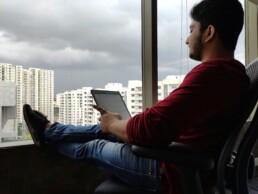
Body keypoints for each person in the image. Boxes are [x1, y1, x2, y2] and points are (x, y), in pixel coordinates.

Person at [23, 0, 249, 193]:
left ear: (209, 32)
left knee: (93, 146)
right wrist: (115, 124)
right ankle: (49, 130)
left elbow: (150, 129)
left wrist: (114, 125)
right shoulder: (234, 74)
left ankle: (47, 138)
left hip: (169, 171)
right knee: (103, 129)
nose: (187, 39)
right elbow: (173, 120)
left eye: (191, 30)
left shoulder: (212, 74)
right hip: (180, 157)